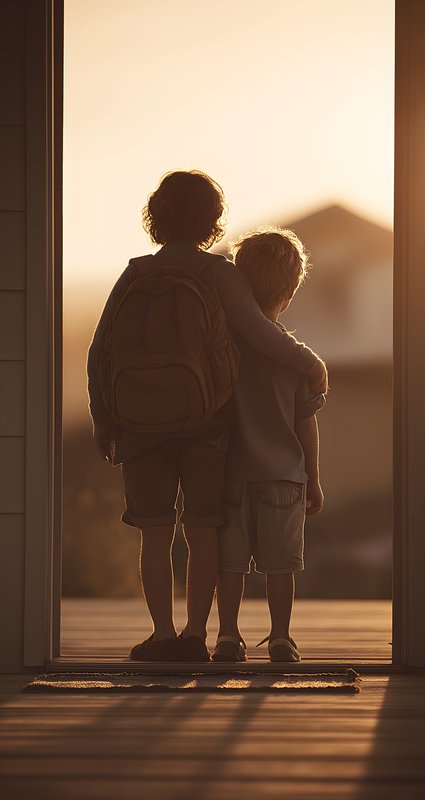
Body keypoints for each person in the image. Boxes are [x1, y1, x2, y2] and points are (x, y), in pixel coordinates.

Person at [87, 171, 327, 662]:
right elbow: (259, 332)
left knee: (154, 531)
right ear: (213, 221)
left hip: (138, 423)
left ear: (156, 216)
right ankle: (198, 634)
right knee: (202, 529)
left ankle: (161, 635)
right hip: (204, 425)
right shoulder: (219, 274)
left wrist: (103, 420)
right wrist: (309, 361)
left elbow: (99, 352)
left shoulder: (135, 273)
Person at [212, 227, 325, 664]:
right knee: (281, 567)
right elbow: (305, 424)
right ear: (291, 290)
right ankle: (281, 638)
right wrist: (314, 479)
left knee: (230, 565)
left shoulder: (225, 350)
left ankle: (227, 636)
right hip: (284, 475)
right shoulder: (294, 358)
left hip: (232, 473)